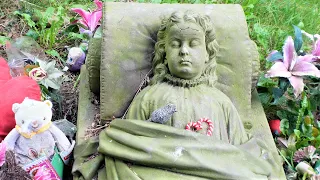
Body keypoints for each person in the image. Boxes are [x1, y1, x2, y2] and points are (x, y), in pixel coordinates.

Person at [74, 11, 280, 180]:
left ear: (208, 52)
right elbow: (129, 146)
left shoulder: (221, 103)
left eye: (193, 44)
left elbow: (242, 156)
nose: (183, 51)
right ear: (164, 52)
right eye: (175, 44)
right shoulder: (149, 97)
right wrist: (151, 125)